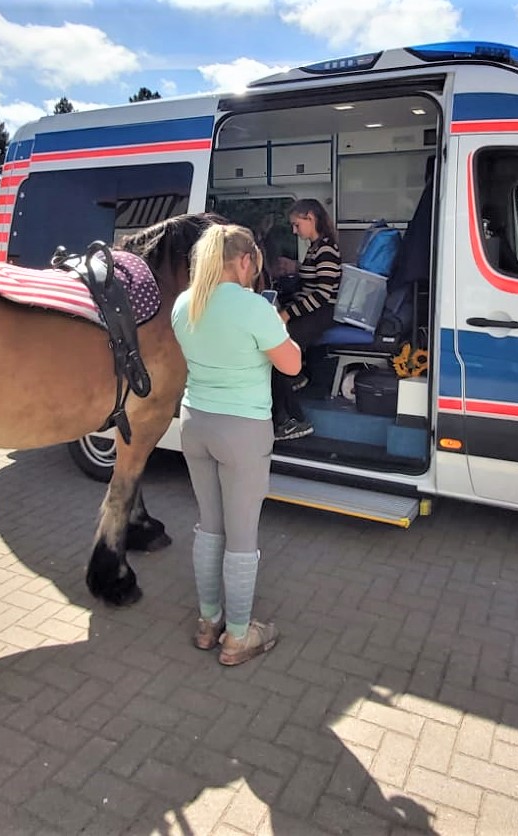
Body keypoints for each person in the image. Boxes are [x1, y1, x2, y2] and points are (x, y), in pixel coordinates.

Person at [171, 224, 302, 665]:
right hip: (243, 429)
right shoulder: (253, 308)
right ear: (245, 261)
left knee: (210, 526)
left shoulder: (184, 303)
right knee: (242, 535)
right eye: (254, 266)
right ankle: (239, 637)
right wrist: (280, 326)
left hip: (195, 423)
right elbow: (291, 364)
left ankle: (209, 623)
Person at [270, 198, 341, 441]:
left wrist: (287, 313)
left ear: (310, 217)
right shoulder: (315, 247)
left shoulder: (326, 249)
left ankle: (292, 420)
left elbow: (322, 294)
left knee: (277, 357)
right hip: (312, 311)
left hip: (321, 313)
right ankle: (296, 377)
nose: (294, 231)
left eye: (296, 225)